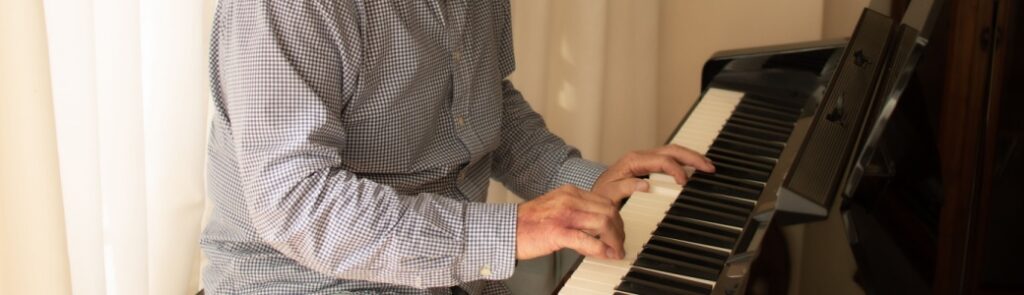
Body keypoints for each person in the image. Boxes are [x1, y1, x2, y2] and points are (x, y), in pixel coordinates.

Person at [201, 0, 714, 294]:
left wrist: (585, 182)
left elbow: (486, 104)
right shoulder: (285, 7)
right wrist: (512, 231)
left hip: (458, 276)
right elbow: (296, 202)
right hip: (304, 282)